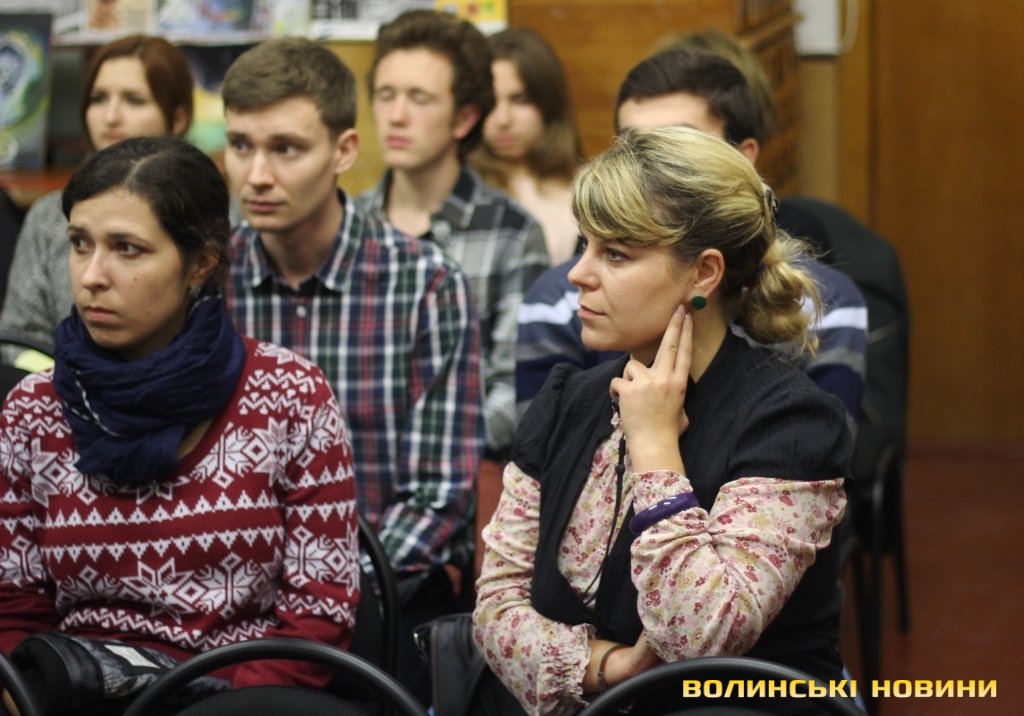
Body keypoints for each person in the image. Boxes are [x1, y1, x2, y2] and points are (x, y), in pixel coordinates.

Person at [473, 125, 852, 714]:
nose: (578, 274)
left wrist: (654, 450)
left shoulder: (791, 421)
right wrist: (607, 669)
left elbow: (702, 639)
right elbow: (495, 608)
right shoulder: (567, 399)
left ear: (703, 273)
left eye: (616, 254)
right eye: (585, 245)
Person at [0, 136, 359, 711]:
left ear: (200, 263)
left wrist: (226, 705)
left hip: (242, 702)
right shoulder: (33, 410)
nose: (92, 275)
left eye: (127, 249)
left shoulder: (290, 395)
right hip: (78, 693)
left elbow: (319, 610)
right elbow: (14, 607)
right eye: (80, 244)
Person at [219, 37, 484, 701]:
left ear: (343, 151)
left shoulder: (424, 283)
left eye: (286, 148)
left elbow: (437, 497)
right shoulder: (210, 277)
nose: (256, 175)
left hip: (382, 588)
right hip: (229, 595)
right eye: (240, 145)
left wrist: (326, 586)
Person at [516, 47, 868, 422]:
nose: (648, 169)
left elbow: (824, 443)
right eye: (633, 146)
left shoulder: (820, 308)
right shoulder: (559, 304)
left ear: (742, 158)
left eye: (678, 146)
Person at [358, 9, 550, 466]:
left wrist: (421, 450)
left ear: (464, 118)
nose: (396, 116)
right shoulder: (350, 224)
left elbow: (518, 392)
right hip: (351, 469)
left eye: (419, 98)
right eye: (386, 95)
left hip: (464, 471)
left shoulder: (511, 232)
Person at [0, 35, 194, 365]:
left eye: (134, 100)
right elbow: (19, 338)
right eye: (98, 98)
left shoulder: (216, 214)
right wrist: (62, 385)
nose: (111, 116)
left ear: (178, 119)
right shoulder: (50, 215)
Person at [470, 26, 583, 265]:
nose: (503, 119)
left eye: (519, 100)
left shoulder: (590, 187)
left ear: (548, 103)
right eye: (490, 101)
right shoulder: (462, 189)